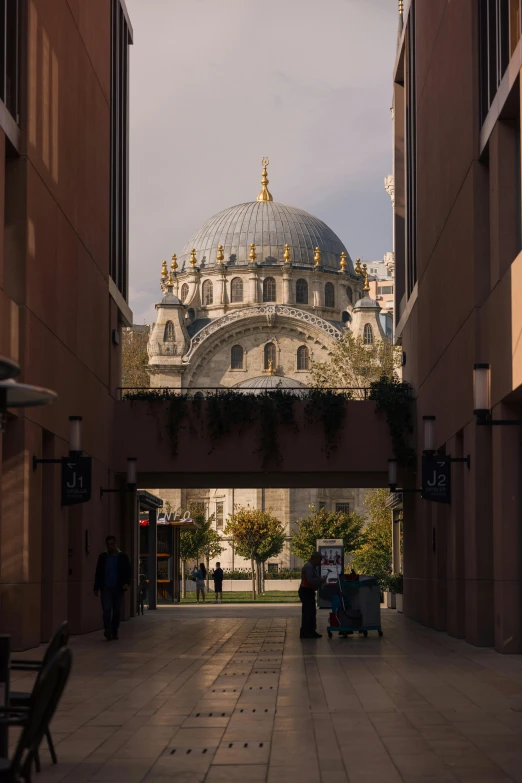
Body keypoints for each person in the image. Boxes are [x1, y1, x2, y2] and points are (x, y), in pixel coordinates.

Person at [94, 535, 132, 641]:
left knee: (116, 611)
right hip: (106, 588)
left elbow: (128, 571)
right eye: (108, 545)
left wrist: (127, 583)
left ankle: (114, 631)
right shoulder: (103, 557)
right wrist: (96, 587)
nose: (110, 547)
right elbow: (98, 572)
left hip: (118, 588)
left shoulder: (122, 556)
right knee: (106, 610)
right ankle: (107, 630)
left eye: (112, 544)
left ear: (115, 544)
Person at [299, 552, 326, 639]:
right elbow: (310, 580)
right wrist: (320, 580)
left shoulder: (313, 567)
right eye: (319, 560)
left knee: (311, 612)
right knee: (308, 612)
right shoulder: (309, 567)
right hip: (306, 590)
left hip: (309, 590)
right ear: (315, 559)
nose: (320, 562)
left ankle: (310, 631)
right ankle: (306, 632)